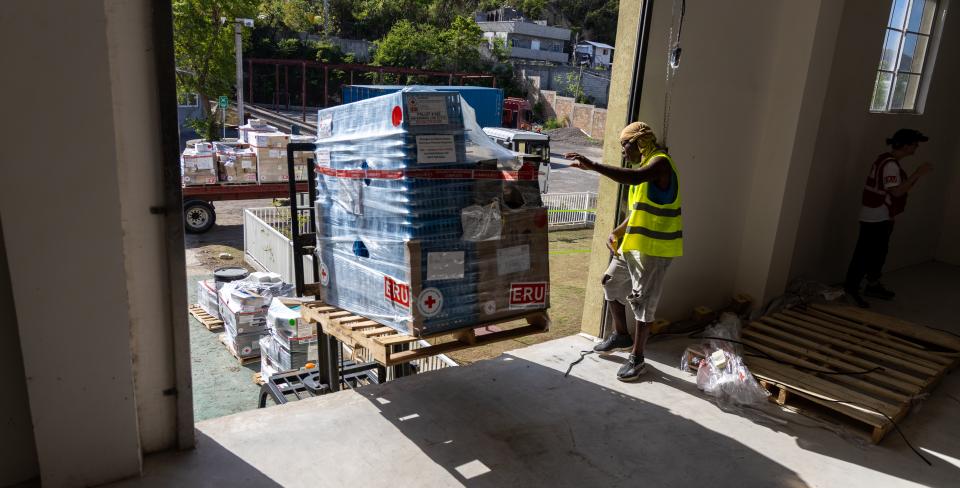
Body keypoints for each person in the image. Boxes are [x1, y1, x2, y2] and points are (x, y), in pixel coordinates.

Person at [565, 122, 682, 381]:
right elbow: (639, 210)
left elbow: (633, 178)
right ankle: (621, 335)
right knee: (610, 283)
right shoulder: (647, 167)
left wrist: (594, 166)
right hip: (633, 247)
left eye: (624, 145)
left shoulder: (660, 163)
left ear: (639, 143)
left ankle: (637, 359)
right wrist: (617, 231)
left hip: (654, 250)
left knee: (643, 303)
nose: (623, 152)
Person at [844, 129, 933, 308]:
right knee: (864, 255)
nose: (916, 148)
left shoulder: (886, 160)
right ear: (906, 145)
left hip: (881, 216)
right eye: (915, 144)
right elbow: (896, 191)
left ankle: (873, 285)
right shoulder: (890, 165)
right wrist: (918, 173)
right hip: (875, 218)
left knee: (878, 254)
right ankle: (851, 290)